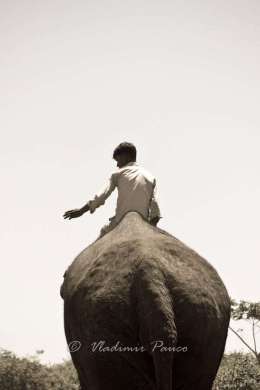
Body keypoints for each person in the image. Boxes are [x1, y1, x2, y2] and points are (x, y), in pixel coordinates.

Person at [63, 142, 162, 239]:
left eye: (118, 160)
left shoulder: (117, 174)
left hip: (120, 221)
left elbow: (101, 196)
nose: (117, 165)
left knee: (101, 239)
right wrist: (151, 227)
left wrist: (81, 211)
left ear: (125, 156)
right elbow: (155, 205)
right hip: (144, 221)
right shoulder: (150, 176)